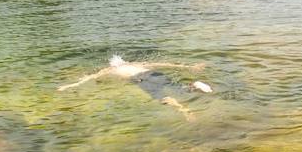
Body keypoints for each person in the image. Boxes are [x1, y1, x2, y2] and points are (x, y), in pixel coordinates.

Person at [57, 56, 212, 119]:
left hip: (140, 80)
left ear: (113, 64)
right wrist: (189, 66)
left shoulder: (110, 70)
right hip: (153, 73)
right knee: (178, 87)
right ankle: (195, 85)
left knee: (160, 98)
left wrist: (69, 85)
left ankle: (183, 110)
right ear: (123, 61)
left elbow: (88, 78)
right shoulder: (137, 64)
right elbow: (163, 64)